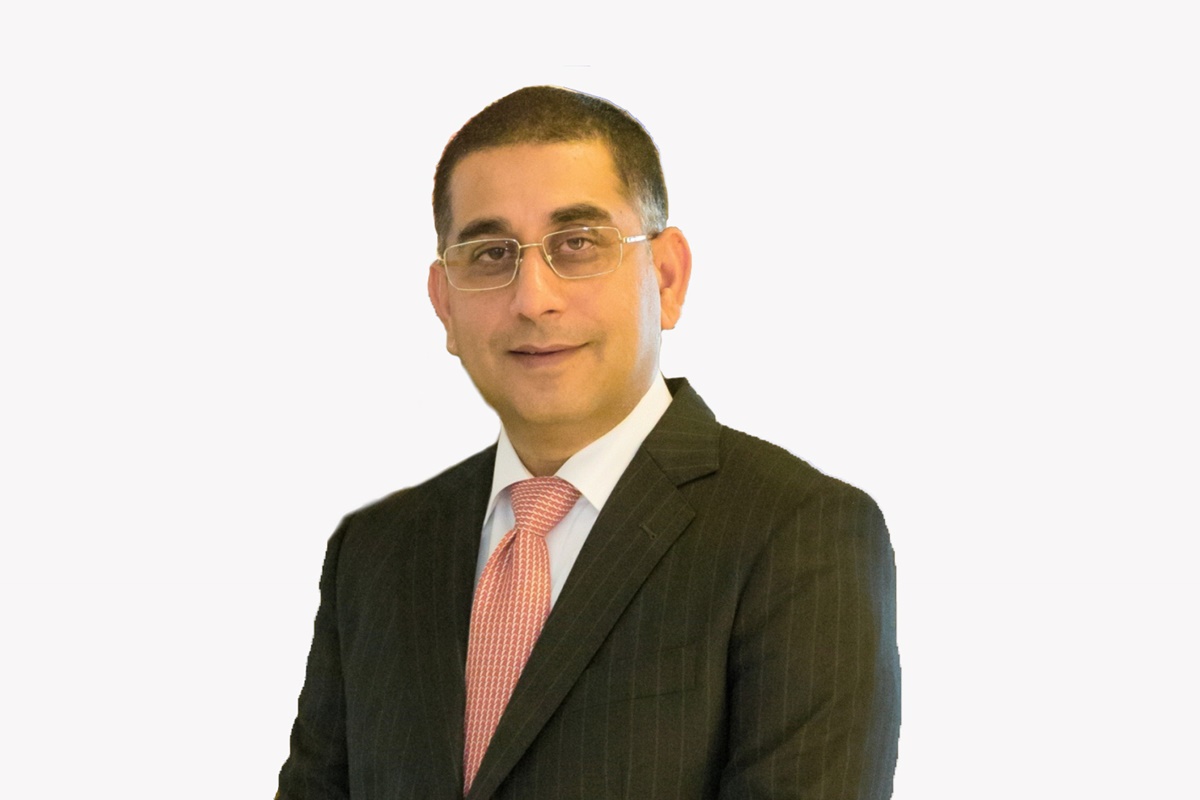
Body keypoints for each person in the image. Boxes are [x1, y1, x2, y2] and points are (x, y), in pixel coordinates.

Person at [276, 85, 900, 800]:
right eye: (490, 253)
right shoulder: (374, 553)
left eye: (577, 245)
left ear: (666, 277)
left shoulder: (800, 532)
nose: (533, 298)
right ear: (445, 303)